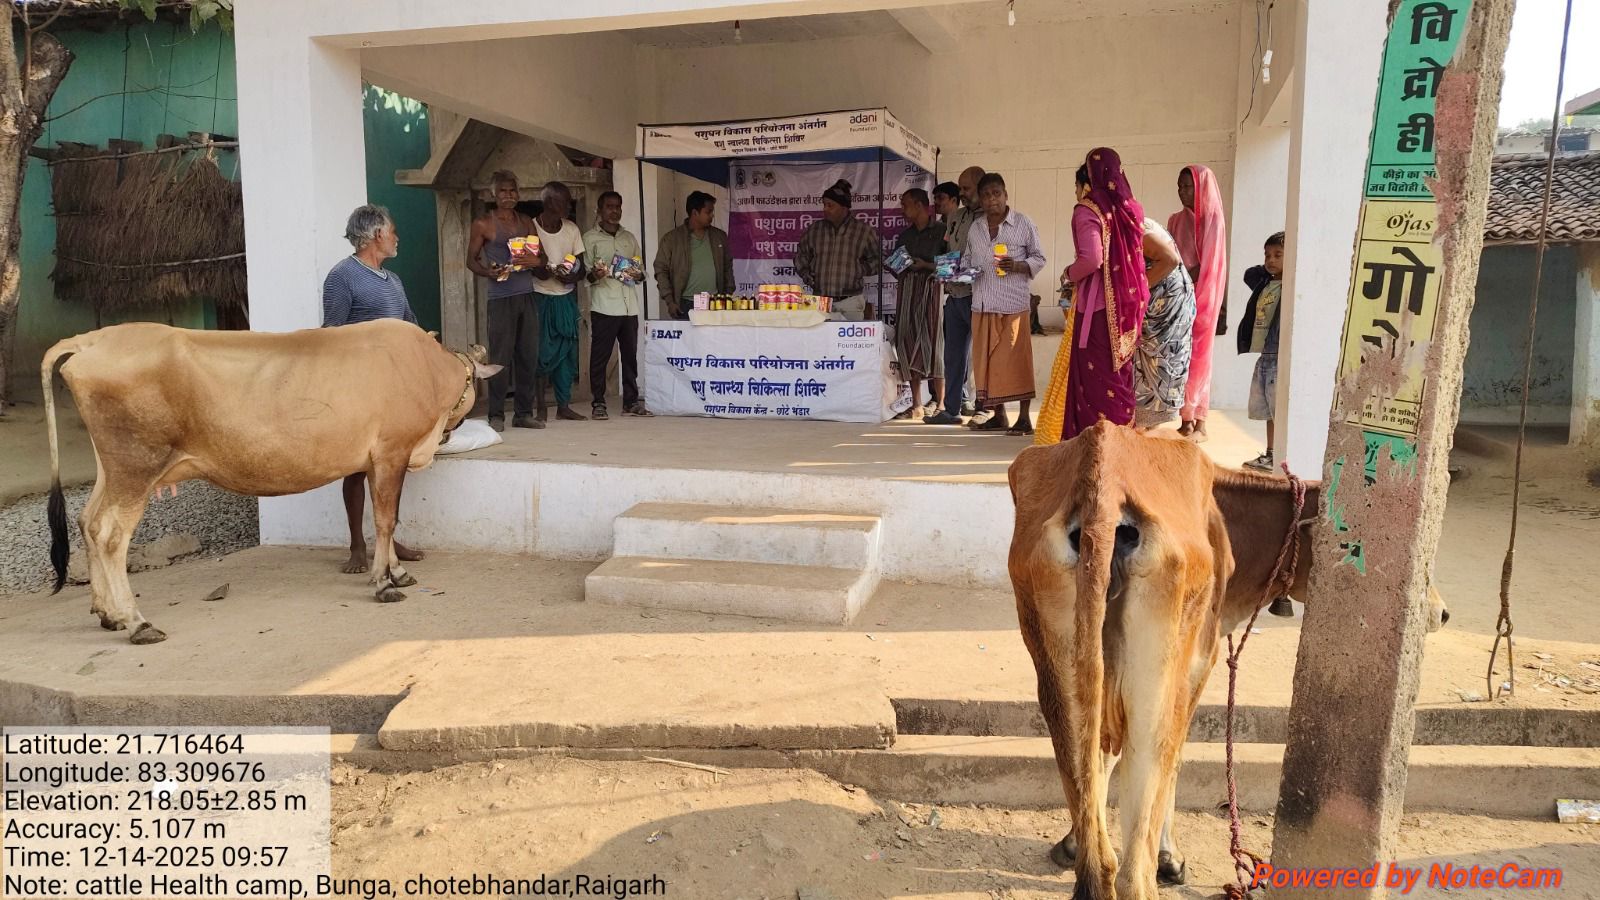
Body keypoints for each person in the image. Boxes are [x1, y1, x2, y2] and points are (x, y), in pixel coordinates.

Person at [321, 204, 424, 574]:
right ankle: (356, 546)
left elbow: (410, 324)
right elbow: (331, 335)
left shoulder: (393, 280)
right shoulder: (342, 277)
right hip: (358, 389)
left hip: (393, 390)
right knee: (355, 467)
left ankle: (388, 539)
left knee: (392, 466)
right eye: (393, 231)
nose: (397, 237)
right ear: (377, 235)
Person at [1035, 151, 1150, 444]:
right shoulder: (1128, 209)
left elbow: (1092, 258)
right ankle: (1124, 439)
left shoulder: (1087, 210)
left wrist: (1069, 274)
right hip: (1127, 308)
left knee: (1096, 381)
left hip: (1098, 310)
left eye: (1077, 185)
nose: (1076, 193)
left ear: (1088, 181)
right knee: (1118, 376)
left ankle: (1097, 444)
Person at [960, 172, 1045, 435]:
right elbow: (967, 260)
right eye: (985, 195)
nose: (991, 200)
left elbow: (1039, 258)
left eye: (996, 194)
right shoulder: (975, 228)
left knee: (1016, 362)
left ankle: (1023, 418)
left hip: (1012, 305)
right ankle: (998, 416)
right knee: (987, 364)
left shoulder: (1023, 223)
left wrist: (1018, 265)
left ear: (1006, 195)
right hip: (983, 304)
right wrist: (959, 272)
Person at [466, 170, 543, 432]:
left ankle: (523, 413)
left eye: (512, 191)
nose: (508, 196)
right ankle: (495, 415)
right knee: (500, 357)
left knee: (528, 355)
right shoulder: (483, 224)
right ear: (493, 195)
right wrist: (489, 272)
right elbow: (471, 260)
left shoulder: (526, 222)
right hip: (500, 297)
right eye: (503, 192)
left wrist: (534, 261)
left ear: (518, 194)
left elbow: (538, 255)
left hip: (526, 294)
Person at [1167, 164, 1228, 442]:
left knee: (1201, 358)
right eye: (1179, 186)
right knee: (1181, 358)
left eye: (1188, 186)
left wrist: (1185, 278)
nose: (1182, 192)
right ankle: (1185, 419)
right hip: (1178, 298)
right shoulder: (1174, 221)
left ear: (1201, 187)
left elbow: (1210, 264)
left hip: (1204, 297)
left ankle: (1199, 420)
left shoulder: (1213, 220)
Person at [583, 190, 651, 420]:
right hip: (604, 306)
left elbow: (641, 273)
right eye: (610, 207)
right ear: (599, 210)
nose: (615, 211)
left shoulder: (629, 238)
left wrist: (637, 274)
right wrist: (596, 274)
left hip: (629, 307)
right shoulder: (590, 238)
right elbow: (585, 277)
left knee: (630, 356)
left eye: (618, 207)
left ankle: (631, 402)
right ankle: (598, 403)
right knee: (600, 357)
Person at [925, 170, 983, 424]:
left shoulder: (989, 219)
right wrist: (942, 271)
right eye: (960, 188)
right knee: (952, 355)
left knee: (981, 356)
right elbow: (949, 250)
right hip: (955, 295)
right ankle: (951, 409)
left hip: (979, 296)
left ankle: (984, 406)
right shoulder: (956, 217)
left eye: (967, 188)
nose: (962, 193)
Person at [528, 181, 588, 422]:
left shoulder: (572, 229)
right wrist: (549, 272)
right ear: (550, 202)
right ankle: (541, 405)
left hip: (565, 298)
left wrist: (572, 275)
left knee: (568, 352)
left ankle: (563, 406)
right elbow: (532, 268)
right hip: (539, 297)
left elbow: (582, 267)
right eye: (565, 201)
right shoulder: (531, 227)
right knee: (541, 352)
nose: (569, 206)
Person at [1134, 211, 1196, 430]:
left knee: (1163, 363)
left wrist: (1134, 292)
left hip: (1168, 305)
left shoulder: (1135, 226)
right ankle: (1145, 429)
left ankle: (1150, 432)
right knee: (1145, 368)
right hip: (1153, 302)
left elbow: (1170, 260)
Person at [889, 188, 946, 417]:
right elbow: (895, 266)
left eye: (905, 205)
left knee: (935, 344)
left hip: (932, 291)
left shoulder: (942, 231)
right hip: (908, 293)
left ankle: (942, 403)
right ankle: (916, 404)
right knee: (907, 342)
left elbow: (953, 266)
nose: (902, 210)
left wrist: (926, 266)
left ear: (920, 205)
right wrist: (901, 265)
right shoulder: (905, 236)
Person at [794, 179, 882, 321]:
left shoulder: (863, 231)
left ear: (844, 207)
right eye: (824, 204)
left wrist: (859, 269)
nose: (825, 209)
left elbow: (879, 259)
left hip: (851, 302)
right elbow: (801, 256)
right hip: (820, 301)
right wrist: (807, 275)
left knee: (849, 343)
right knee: (820, 341)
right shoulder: (815, 230)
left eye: (830, 205)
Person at [1237, 231, 1286, 471]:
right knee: (1268, 409)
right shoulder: (1264, 281)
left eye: (1278, 255)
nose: (1271, 260)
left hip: (1279, 355)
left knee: (1279, 409)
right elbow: (1249, 273)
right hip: (1265, 354)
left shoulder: (1290, 286)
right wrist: (1271, 268)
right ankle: (1270, 453)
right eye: (1267, 255)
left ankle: (1281, 454)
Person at [653, 191, 733, 320]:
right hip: (684, 304)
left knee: (715, 340)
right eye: (708, 212)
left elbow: (727, 266)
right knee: (687, 340)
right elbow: (661, 270)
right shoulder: (672, 239)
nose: (712, 215)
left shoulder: (719, 237)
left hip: (715, 303)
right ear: (695, 213)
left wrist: (728, 294)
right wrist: (670, 301)